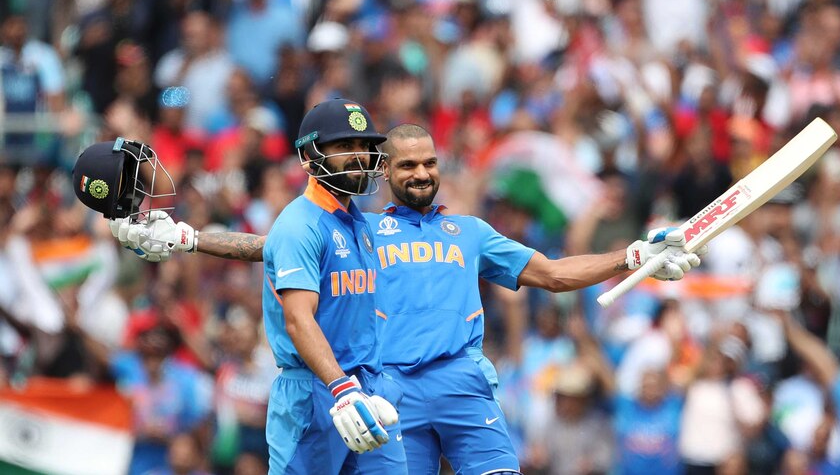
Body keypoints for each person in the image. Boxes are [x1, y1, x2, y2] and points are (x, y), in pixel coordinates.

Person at [103, 124, 706, 474]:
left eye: (431, 162)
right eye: (409, 164)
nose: (422, 172)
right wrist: (186, 237)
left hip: (465, 382)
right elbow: (271, 246)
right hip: (389, 393)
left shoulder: (469, 232)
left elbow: (552, 273)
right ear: (385, 170)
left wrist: (632, 256)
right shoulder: (359, 229)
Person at [72, 101, 407, 475]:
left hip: (364, 387)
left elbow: (265, 247)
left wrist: (188, 237)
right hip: (319, 393)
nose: (360, 157)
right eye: (346, 147)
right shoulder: (300, 223)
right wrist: (342, 390)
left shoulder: (354, 223)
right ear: (313, 157)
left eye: (364, 146)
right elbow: (298, 320)